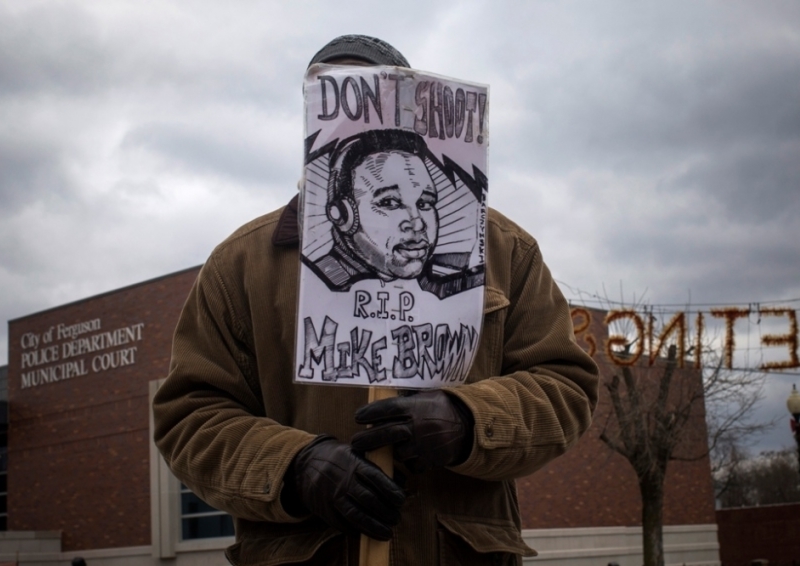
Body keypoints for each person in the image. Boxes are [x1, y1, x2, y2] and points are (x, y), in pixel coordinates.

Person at [153, 34, 599, 566]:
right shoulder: (241, 266)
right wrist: (296, 467)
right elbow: (190, 418)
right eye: (338, 97)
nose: (413, 220)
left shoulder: (507, 252)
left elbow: (566, 388)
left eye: (381, 96)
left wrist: (470, 420)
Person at [305, 129, 439, 292]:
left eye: (424, 204)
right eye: (390, 202)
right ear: (343, 214)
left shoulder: (438, 289)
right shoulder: (313, 285)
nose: (418, 224)